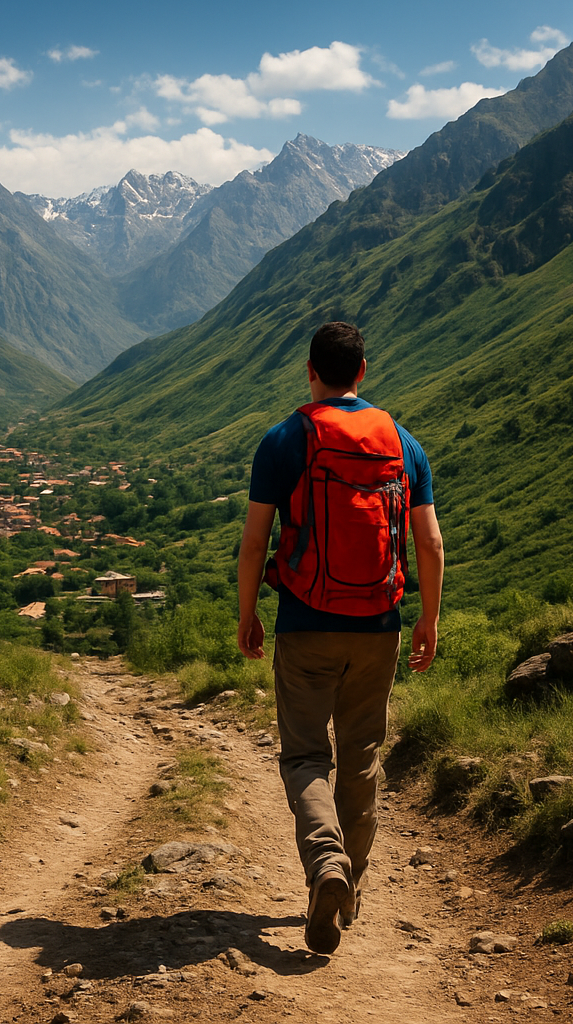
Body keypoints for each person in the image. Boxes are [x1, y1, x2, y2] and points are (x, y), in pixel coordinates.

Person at [235, 321, 444, 957]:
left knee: (304, 758)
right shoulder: (402, 444)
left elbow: (254, 545)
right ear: (362, 371)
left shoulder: (284, 441)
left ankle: (326, 866)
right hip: (379, 627)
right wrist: (428, 619)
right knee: (360, 758)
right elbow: (429, 543)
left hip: (304, 625)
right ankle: (349, 881)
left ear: (310, 371)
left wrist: (249, 613)